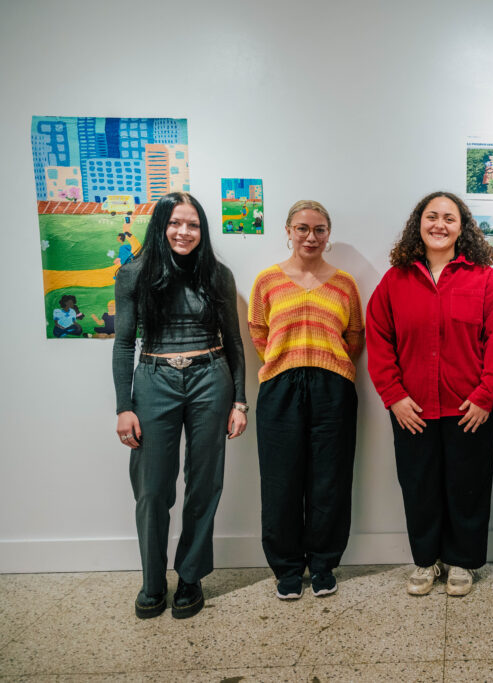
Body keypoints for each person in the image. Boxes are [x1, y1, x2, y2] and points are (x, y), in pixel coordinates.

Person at [366, 191, 493, 597]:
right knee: (419, 486)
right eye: (432, 217)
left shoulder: (483, 279)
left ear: (462, 228)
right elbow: (378, 340)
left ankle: (462, 560)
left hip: (471, 409)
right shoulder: (395, 280)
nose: (440, 225)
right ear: (419, 224)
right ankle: (426, 560)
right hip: (412, 408)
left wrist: (485, 396)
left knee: (468, 486)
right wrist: (393, 396)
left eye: (449, 218)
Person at [112, 192, 247, 619]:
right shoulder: (133, 273)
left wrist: (239, 400)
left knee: (204, 484)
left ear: (202, 231)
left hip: (211, 378)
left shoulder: (217, 275)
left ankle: (190, 577)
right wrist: (123, 406)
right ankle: (153, 581)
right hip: (154, 380)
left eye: (193, 225)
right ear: (161, 226)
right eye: (175, 223)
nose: (184, 232)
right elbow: (122, 345)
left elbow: (235, 343)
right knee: (152, 489)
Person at [248, 200, 364, 601]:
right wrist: (287, 361)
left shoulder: (345, 283)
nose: (310, 237)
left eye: (318, 229)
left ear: (328, 234)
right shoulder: (268, 281)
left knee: (329, 479)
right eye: (302, 228)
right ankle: (286, 568)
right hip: (280, 387)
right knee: (281, 480)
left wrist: (327, 364)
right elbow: (258, 330)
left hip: (333, 387)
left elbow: (354, 337)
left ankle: (323, 563)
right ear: (288, 230)